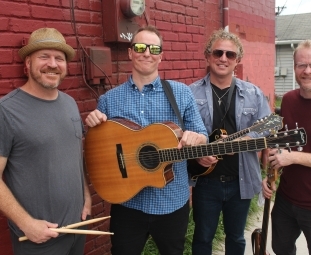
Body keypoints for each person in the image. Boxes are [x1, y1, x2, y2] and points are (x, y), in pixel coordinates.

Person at [84, 25, 208, 255]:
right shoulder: (109, 100)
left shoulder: (181, 93)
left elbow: (203, 136)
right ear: (130, 52)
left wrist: (196, 137)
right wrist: (92, 124)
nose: (146, 53)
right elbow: (96, 148)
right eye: (140, 47)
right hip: (127, 204)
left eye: (153, 48)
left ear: (161, 55)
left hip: (172, 202)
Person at [0, 27, 92, 255]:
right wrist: (26, 223)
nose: (52, 64)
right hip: (38, 240)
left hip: (76, 229)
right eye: (44, 56)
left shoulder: (70, 103)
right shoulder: (7, 111)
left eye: (59, 58)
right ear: (28, 63)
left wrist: (86, 196)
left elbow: (73, 156)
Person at [189, 29, 271, 255]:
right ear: (208, 56)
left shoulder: (254, 93)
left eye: (230, 55)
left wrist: (247, 139)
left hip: (240, 181)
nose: (223, 58)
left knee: (236, 238)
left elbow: (268, 129)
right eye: (218, 53)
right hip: (206, 182)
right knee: (202, 238)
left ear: (238, 60)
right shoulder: (190, 93)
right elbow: (181, 134)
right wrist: (197, 153)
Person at [262, 39, 311, 255]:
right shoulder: (288, 100)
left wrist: (294, 158)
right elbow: (280, 145)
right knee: (281, 249)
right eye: (301, 65)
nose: (307, 71)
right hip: (286, 198)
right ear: (295, 67)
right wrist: (270, 174)